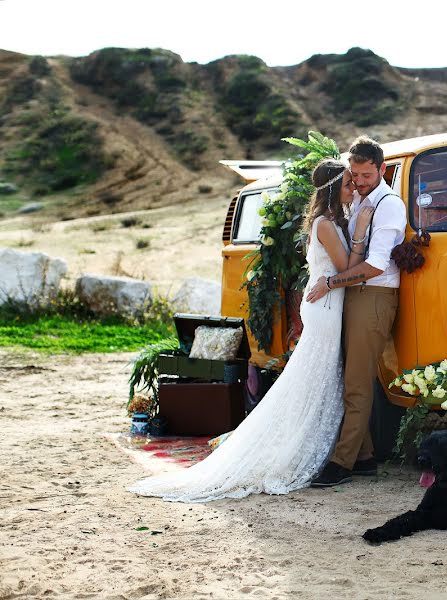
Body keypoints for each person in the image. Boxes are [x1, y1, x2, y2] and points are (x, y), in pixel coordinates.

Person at [127, 159, 374, 502]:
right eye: (348, 184)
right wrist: (361, 231)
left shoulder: (331, 221)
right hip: (325, 309)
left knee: (320, 377)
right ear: (333, 189)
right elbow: (349, 266)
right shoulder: (328, 226)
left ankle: (347, 450)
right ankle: (305, 448)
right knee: (316, 377)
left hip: (327, 304)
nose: (353, 189)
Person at [306, 136, 407, 487]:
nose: (361, 182)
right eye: (356, 175)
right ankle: (363, 457)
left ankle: (342, 462)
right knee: (351, 378)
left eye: (366, 175)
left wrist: (331, 284)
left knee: (357, 383)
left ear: (382, 169)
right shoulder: (358, 201)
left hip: (374, 297)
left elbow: (377, 265)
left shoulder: (389, 205)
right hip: (355, 296)